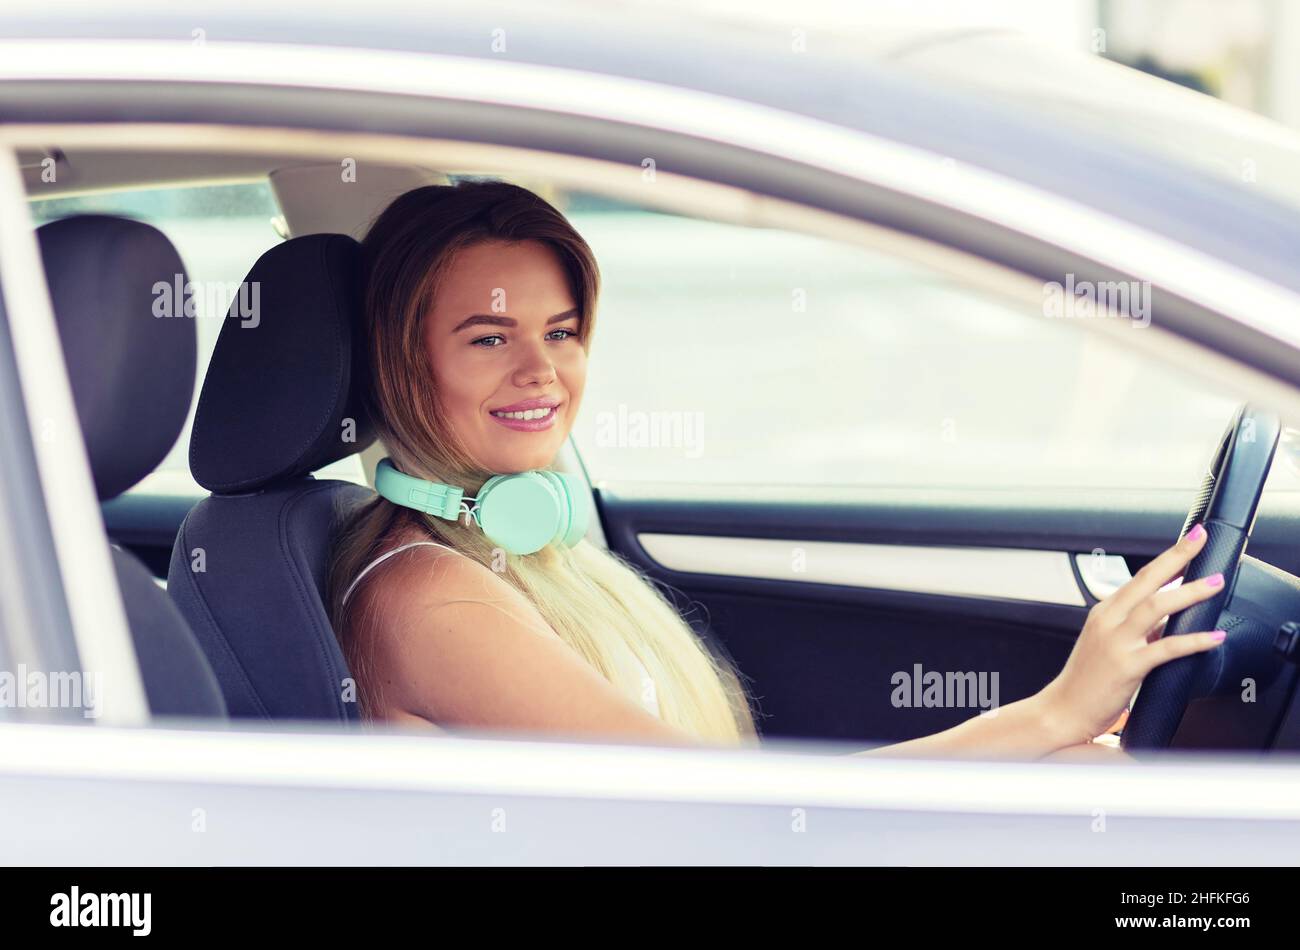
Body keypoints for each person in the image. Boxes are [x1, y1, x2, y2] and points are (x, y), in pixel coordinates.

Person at [326, 180, 1226, 759]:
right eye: (489, 338)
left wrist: (1055, 732)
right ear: (404, 363)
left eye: (560, 332)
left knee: (1080, 781)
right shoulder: (426, 598)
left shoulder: (520, 547)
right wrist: (1052, 711)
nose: (542, 372)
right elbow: (735, 824)